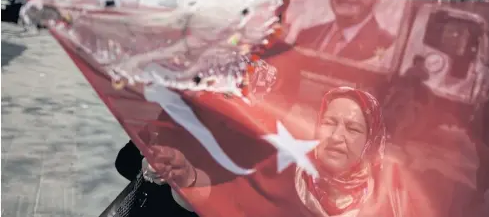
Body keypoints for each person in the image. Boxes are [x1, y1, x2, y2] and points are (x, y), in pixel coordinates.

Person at [150, 87, 433, 216]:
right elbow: (221, 201)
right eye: (329, 123)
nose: (337, 137)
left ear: (372, 142)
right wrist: (185, 176)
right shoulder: (281, 173)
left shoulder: (389, 201)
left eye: (353, 129)